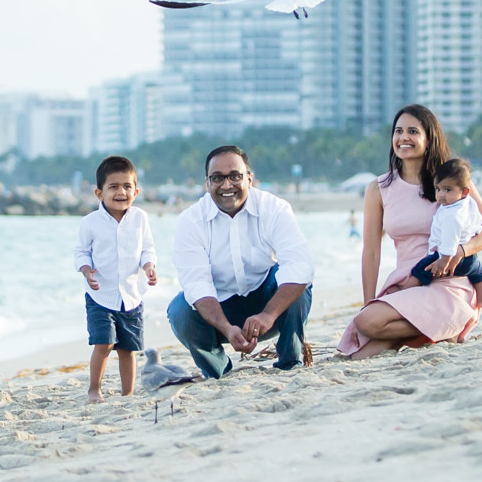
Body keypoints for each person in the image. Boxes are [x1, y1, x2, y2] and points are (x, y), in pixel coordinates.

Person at [338, 105, 482, 359]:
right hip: (405, 284)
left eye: (413, 131)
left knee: (368, 324)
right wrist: (368, 303)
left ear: (429, 138)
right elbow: (371, 252)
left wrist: (461, 251)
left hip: (449, 283)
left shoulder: (451, 182)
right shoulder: (378, 188)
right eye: (398, 131)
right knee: (360, 344)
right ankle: (439, 330)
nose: (404, 137)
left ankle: (450, 319)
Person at [166, 145, 315, 378]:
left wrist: (267, 315)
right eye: (217, 178)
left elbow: (300, 265)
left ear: (249, 179)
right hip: (219, 307)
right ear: (207, 183)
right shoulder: (190, 221)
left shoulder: (274, 208)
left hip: (268, 301)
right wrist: (227, 328)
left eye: (235, 176)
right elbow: (196, 284)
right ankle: (217, 371)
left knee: (298, 284)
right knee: (180, 310)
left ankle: (290, 362)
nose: (227, 185)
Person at [74, 156, 157, 403]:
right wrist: (86, 270)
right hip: (101, 294)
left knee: (128, 349)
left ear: (136, 191)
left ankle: (127, 393)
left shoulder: (140, 218)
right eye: (113, 187)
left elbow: (147, 249)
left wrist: (149, 266)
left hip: (131, 295)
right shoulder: (90, 223)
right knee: (104, 344)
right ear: (99, 193)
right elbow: (81, 253)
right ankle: (94, 389)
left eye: (127, 186)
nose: (121, 192)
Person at [380, 158, 482, 310]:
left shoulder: (451, 215)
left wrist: (443, 261)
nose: (441, 195)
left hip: (447, 256)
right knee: (479, 273)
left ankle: (405, 291)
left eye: (448, 190)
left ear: (464, 192)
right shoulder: (468, 203)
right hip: (470, 257)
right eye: (438, 189)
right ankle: (481, 300)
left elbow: (449, 242)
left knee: (420, 270)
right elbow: (478, 223)